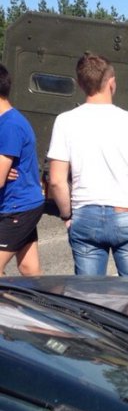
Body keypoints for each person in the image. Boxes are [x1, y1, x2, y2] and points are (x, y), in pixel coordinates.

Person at [48, 54, 128, 279]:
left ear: (80, 84)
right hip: (127, 214)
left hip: (85, 215)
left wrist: (67, 216)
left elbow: (57, 181)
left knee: (88, 294)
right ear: (112, 83)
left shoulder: (65, 121)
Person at [0, 64, 44, 275]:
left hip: (17, 207)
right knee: (29, 268)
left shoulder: (10, 126)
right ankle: (44, 297)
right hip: (20, 204)